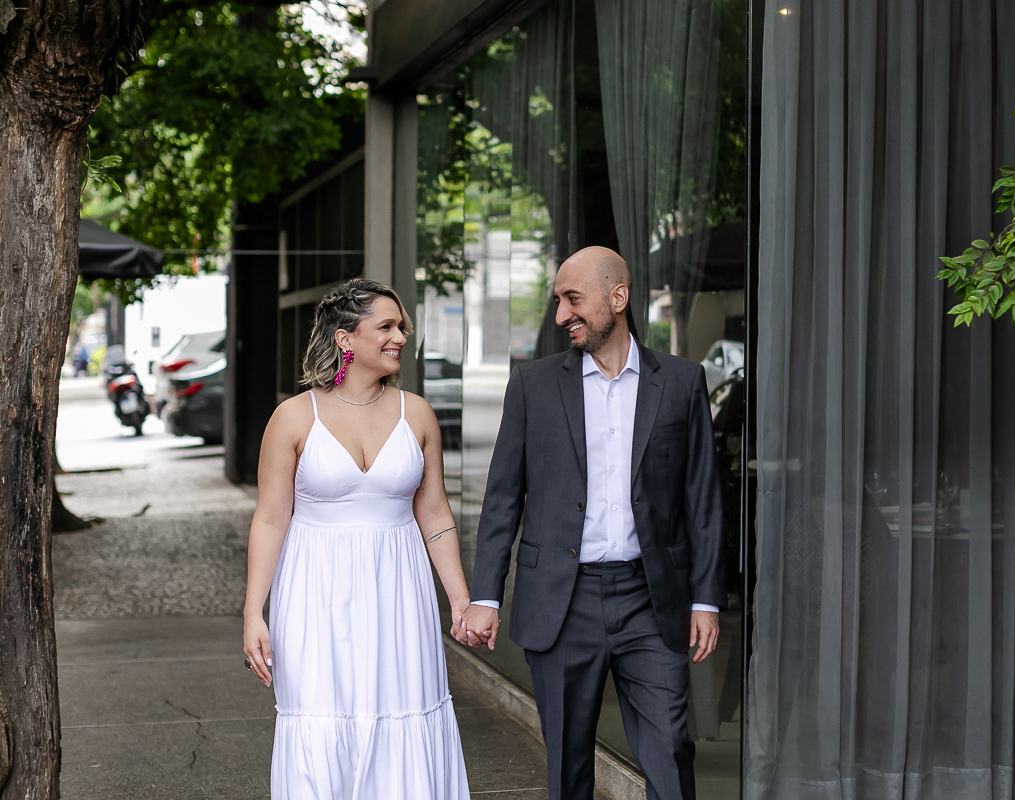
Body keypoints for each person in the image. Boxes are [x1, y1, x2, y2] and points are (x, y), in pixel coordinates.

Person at [459, 247, 724, 800]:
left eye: (572, 299)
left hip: (651, 601)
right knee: (568, 765)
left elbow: (701, 498)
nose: (560, 315)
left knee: (672, 750)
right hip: (563, 599)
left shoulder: (679, 382)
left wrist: (705, 600)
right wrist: (485, 594)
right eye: (558, 300)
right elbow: (504, 496)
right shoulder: (532, 385)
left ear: (618, 297)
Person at [243, 278, 471, 800]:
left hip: (399, 592)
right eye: (387, 327)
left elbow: (434, 512)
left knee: (404, 708)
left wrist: (460, 597)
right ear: (346, 338)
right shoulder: (294, 416)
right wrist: (255, 611)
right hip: (315, 593)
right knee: (321, 717)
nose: (400, 338)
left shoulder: (417, 414)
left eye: (402, 327)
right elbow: (271, 519)